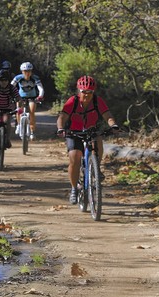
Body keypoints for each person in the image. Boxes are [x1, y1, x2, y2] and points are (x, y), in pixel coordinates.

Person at [56, 75, 120, 205]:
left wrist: (113, 125)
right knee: (75, 156)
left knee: (98, 139)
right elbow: (62, 117)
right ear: (79, 91)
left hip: (91, 130)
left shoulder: (97, 101)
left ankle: (96, 166)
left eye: (90, 92)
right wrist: (61, 128)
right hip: (73, 131)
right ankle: (74, 188)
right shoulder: (72, 101)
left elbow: (107, 115)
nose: (87, 95)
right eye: (84, 92)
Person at [11, 62, 44, 140]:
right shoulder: (18, 78)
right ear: (22, 71)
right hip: (20, 97)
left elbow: (41, 88)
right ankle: (19, 125)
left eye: (29, 71)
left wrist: (40, 96)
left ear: (31, 71)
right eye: (25, 71)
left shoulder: (35, 78)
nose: (27, 73)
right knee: (19, 110)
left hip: (32, 97)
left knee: (32, 111)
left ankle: (32, 131)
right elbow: (11, 86)